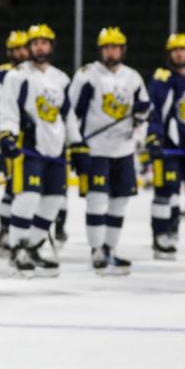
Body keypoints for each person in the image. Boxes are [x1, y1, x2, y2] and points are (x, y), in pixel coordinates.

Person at [0, 24, 86, 277]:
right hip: (29, 149)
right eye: (35, 43)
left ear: (51, 46)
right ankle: (17, 249)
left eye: (44, 43)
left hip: (56, 151)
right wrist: (7, 134)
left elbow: (68, 117)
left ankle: (33, 247)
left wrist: (76, 144)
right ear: (29, 47)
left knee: (53, 201)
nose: (40, 47)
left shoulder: (61, 78)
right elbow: (8, 110)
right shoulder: (17, 76)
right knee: (27, 198)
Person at [68, 27, 150, 274]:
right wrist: (76, 142)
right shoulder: (87, 75)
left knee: (120, 202)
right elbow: (71, 112)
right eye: (107, 47)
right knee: (97, 200)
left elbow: (145, 109)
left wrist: (140, 119)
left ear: (122, 50)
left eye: (115, 47)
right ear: (101, 50)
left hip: (123, 150)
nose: (111, 51)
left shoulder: (133, 77)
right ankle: (96, 252)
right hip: (96, 151)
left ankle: (110, 250)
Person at [147, 32, 185, 260]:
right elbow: (154, 111)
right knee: (165, 192)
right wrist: (154, 137)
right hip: (169, 148)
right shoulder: (162, 79)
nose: (179, 53)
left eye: (183, 50)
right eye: (175, 50)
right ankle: (162, 235)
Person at [0, 30, 30, 257]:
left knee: (25, 190)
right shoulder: (4, 73)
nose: (21, 52)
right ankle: (5, 234)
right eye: (17, 49)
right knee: (12, 189)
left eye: (24, 47)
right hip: (11, 138)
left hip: (32, 141)